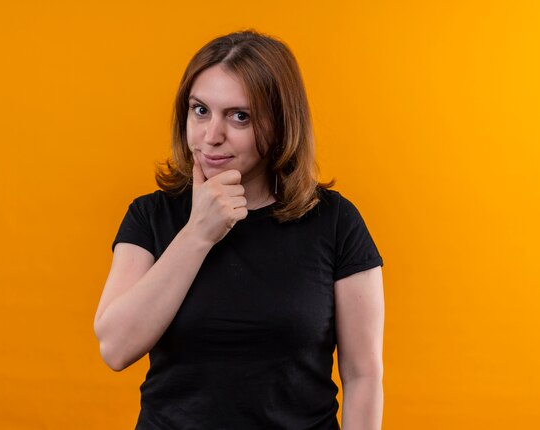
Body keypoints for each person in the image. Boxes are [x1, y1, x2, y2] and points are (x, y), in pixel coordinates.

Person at [94, 29, 385, 430]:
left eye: (239, 116)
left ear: (281, 123)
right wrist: (198, 233)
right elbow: (115, 347)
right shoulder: (151, 216)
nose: (212, 136)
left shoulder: (335, 222)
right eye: (200, 110)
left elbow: (363, 375)